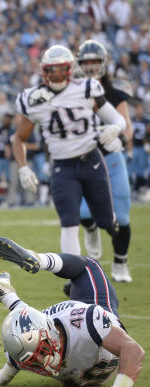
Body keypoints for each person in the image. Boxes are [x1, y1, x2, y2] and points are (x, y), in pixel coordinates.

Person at [0, 236, 145, 387]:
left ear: (51, 333)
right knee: (27, 325)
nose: (40, 362)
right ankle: (6, 293)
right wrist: (3, 376)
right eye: (32, 361)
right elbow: (18, 355)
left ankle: (38, 260)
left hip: (88, 309)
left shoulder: (87, 322)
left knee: (88, 266)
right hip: (54, 323)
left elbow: (133, 350)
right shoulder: (22, 351)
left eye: (42, 351)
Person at [13, 45, 126, 257]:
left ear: (71, 68)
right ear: (43, 71)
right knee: (68, 223)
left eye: (61, 69)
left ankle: (101, 226)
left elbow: (117, 119)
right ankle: (76, 278)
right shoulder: (33, 99)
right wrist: (23, 168)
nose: (56, 75)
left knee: (106, 222)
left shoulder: (86, 88)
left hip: (91, 160)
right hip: (63, 167)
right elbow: (19, 138)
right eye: (51, 70)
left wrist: (115, 128)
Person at [76, 40, 134, 283]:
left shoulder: (114, 92)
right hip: (86, 158)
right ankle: (90, 230)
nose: (90, 66)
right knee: (84, 213)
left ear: (103, 63)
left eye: (94, 61)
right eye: (86, 62)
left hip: (111, 158)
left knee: (120, 217)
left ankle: (120, 263)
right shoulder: (73, 91)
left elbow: (128, 128)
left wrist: (120, 138)